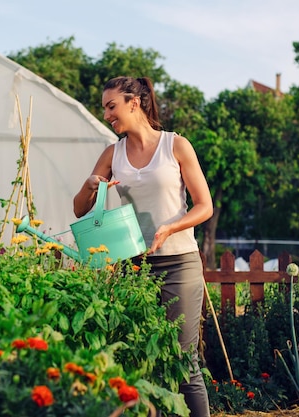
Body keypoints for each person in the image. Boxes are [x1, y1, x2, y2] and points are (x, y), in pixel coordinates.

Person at [73, 76, 213, 417]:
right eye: (105, 108)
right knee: (141, 356)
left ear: (134, 103)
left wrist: (171, 226)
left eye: (111, 106)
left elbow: (204, 206)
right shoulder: (112, 153)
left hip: (179, 262)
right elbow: (79, 209)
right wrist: (92, 185)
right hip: (134, 267)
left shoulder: (175, 146)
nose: (107, 115)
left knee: (183, 359)